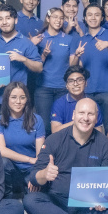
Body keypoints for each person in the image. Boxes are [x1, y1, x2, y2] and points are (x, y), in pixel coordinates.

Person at [25, 98, 108, 214]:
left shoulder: (106, 145)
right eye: (81, 113)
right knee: (30, 200)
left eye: (90, 114)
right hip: (56, 201)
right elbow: (33, 177)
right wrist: (44, 174)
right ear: (73, 115)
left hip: (87, 206)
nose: (85, 118)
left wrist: (103, 199)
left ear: (96, 118)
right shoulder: (54, 139)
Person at [0, 5, 43, 115]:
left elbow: (39, 67)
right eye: (0, 19)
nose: (4, 22)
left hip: (17, 100)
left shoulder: (26, 43)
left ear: (15, 20)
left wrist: (23, 59)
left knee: (17, 130)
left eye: (8, 18)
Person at [71, 4, 108, 123]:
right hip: (87, 91)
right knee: (88, 126)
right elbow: (74, 69)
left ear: (102, 18)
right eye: (89, 15)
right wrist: (77, 56)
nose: (93, 18)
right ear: (85, 18)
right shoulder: (80, 40)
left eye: (97, 15)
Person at [0, 82, 45, 199]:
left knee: (34, 200)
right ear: (6, 99)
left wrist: (36, 175)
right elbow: (1, 150)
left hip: (30, 168)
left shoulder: (37, 120)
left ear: (27, 99)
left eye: (22, 97)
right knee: (1, 161)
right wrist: (29, 159)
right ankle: (8, 196)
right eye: (13, 97)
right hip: (11, 170)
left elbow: (40, 154)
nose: (18, 101)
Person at [34, 7, 75, 135]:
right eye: (55, 17)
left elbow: (72, 66)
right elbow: (34, 67)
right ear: (48, 18)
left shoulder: (68, 39)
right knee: (45, 125)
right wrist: (44, 55)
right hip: (43, 88)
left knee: (63, 124)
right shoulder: (39, 39)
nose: (58, 20)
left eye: (61, 18)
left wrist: (77, 55)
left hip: (63, 88)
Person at [51, 66, 104, 133]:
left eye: (80, 80)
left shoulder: (93, 104)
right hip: (64, 141)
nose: (75, 84)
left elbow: (99, 132)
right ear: (66, 85)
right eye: (71, 81)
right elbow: (55, 131)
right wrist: (77, 121)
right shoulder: (59, 104)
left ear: (86, 83)